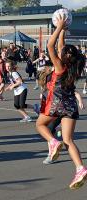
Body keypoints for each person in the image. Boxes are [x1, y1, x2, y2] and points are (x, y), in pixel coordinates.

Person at [36, 15, 87, 189]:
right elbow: (59, 46)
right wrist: (64, 32)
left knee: (40, 125)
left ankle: (52, 142)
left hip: (56, 103)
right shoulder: (74, 67)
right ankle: (80, 168)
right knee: (68, 140)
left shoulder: (59, 66)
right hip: (71, 106)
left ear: (64, 56)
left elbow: (51, 46)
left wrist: (58, 27)